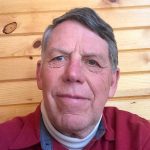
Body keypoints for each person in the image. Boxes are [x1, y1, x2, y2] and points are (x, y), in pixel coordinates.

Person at [0, 7, 150, 150]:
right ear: (39, 74)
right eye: (59, 58)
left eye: (92, 62)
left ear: (112, 82)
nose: (73, 74)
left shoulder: (143, 139)